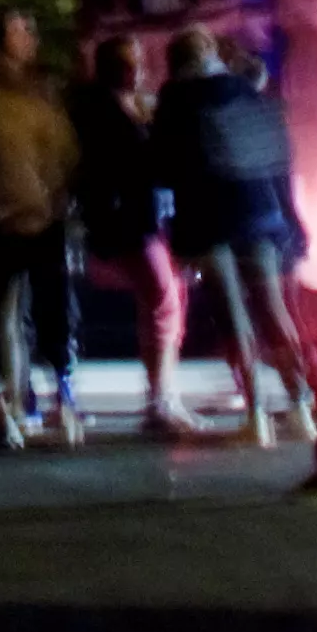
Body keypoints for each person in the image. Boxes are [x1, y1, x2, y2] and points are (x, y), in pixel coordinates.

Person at [158, 23, 317, 499]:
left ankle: (259, 416)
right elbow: (279, 163)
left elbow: (163, 167)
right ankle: (305, 408)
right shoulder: (251, 94)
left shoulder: (177, 100)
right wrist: (290, 225)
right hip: (261, 216)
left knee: (233, 317)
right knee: (280, 320)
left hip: (208, 220)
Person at [0, 9, 85, 447]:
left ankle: (24, 403)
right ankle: (44, 399)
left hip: (9, 218)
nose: (31, 38)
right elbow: (63, 154)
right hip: (22, 218)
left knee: (11, 316)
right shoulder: (18, 98)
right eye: (22, 31)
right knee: (39, 313)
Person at [70, 27, 197, 434]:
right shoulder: (97, 109)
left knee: (167, 299)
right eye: (127, 62)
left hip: (160, 214)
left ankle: (162, 393)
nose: (136, 69)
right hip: (128, 218)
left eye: (138, 61)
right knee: (163, 298)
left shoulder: (145, 104)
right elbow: (105, 166)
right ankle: (162, 399)